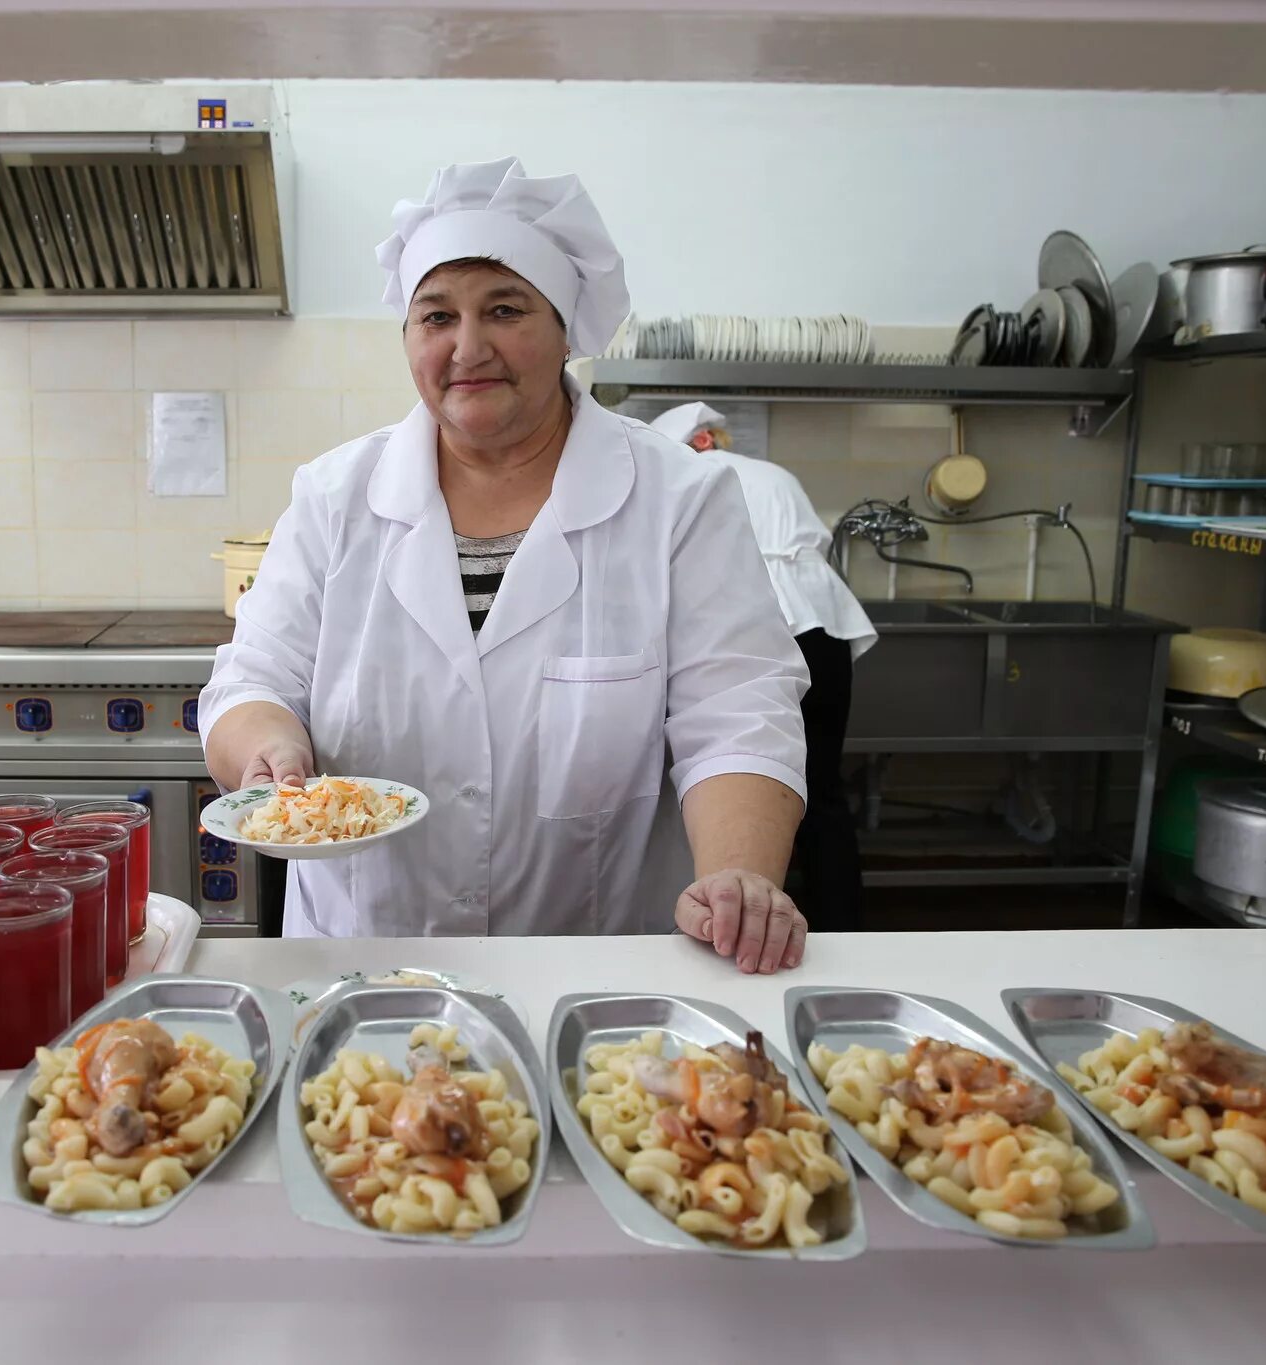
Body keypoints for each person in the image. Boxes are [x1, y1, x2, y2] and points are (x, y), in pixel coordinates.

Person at [201, 158, 812, 975]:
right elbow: (252, 680)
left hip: (594, 971)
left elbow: (737, 712)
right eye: (436, 316)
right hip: (358, 964)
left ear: (565, 328)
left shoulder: (679, 499)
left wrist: (739, 875)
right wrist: (269, 750)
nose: (467, 346)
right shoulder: (335, 496)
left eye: (504, 309)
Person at [650, 403, 876, 932]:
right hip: (825, 629)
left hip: (755, 626)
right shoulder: (775, 474)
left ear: (693, 444)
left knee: (729, 784)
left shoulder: (692, 479)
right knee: (821, 792)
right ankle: (843, 926)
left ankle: (743, 912)